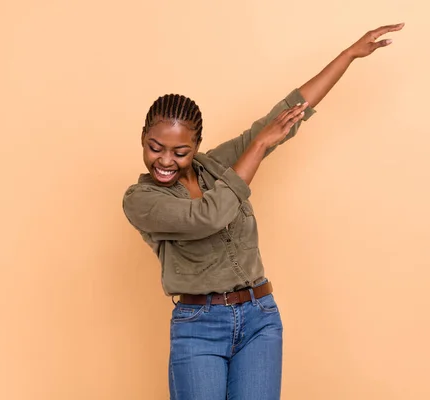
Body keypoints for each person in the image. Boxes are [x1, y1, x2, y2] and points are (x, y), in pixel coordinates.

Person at [122, 22, 405, 400]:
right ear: (143, 137)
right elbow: (207, 216)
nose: (166, 161)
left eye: (180, 151)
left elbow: (284, 115)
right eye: (156, 147)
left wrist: (349, 55)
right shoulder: (140, 200)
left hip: (259, 318)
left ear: (197, 146)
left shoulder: (215, 166)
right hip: (199, 327)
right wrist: (258, 147)